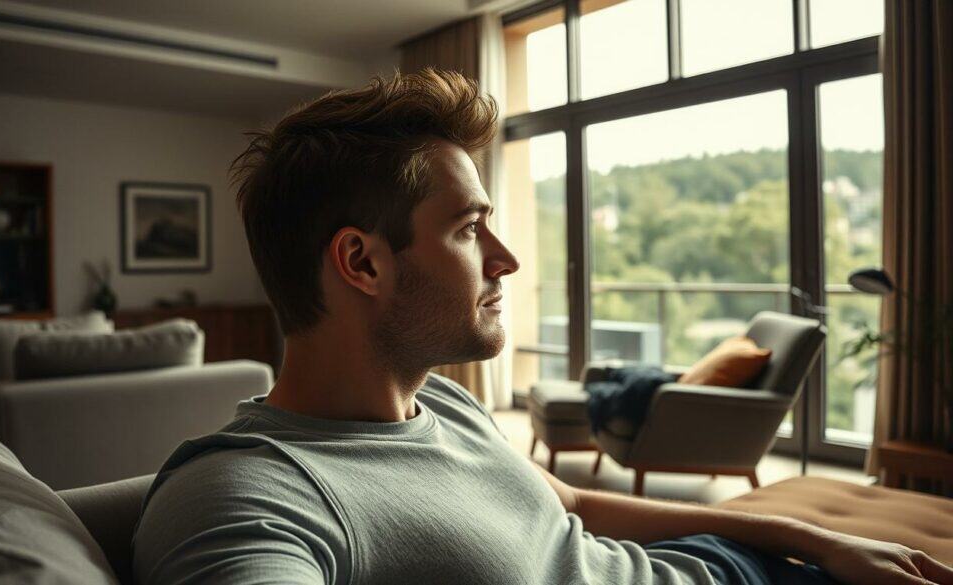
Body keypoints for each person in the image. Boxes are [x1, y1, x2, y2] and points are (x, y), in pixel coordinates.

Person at [132, 69, 953, 585]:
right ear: (363, 262)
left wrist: (810, 537)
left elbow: (573, 506)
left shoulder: (444, 406)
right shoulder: (249, 496)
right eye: (468, 229)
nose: (507, 258)